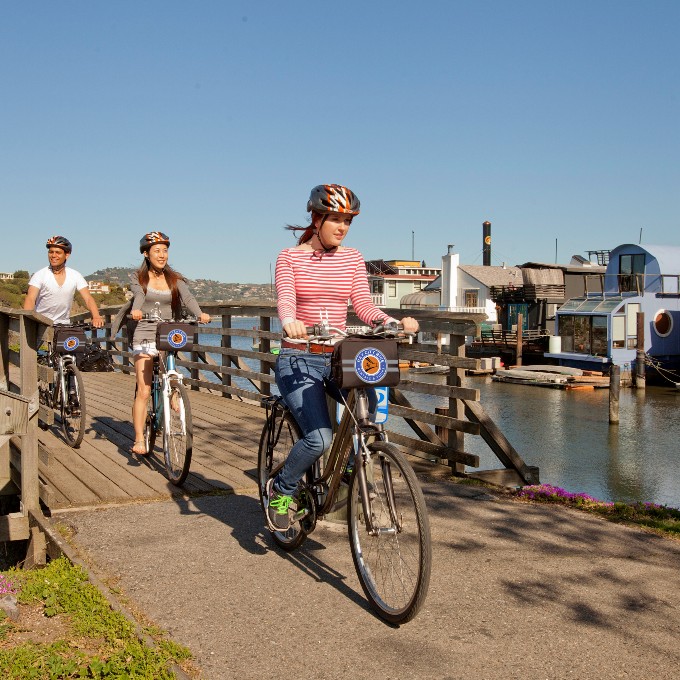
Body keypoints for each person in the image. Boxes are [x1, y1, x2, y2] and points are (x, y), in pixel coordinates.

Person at [264, 184, 419, 531]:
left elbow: (363, 305)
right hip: (298, 358)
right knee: (319, 438)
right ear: (317, 218)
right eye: (335, 219)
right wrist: (290, 322)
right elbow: (286, 298)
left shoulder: (351, 258)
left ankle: (349, 470)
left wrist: (391, 322)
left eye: (347, 221)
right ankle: (282, 488)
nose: (342, 227)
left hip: (337, 358)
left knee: (367, 420)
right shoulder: (289, 258)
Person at [128, 231, 211, 455]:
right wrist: (136, 310)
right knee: (144, 391)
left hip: (166, 332)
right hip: (144, 333)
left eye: (165, 250)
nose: (162, 255)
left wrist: (200, 313)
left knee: (169, 371)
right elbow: (138, 296)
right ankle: (138, 439)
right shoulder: (138, 278)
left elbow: (189, 298)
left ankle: (173, 392)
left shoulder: (174, 279)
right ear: (146, 254)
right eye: (157, 251)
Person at [23, 236, 105, 328]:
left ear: (67, 255)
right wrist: (27, 323)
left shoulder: (75, 275)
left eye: (58, 252)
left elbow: (88, 298)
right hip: (41, 325)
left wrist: (96, 316)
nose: (53, 255)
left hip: (63, 325)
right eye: (51, 252)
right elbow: (30, 299)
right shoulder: (40, 275)